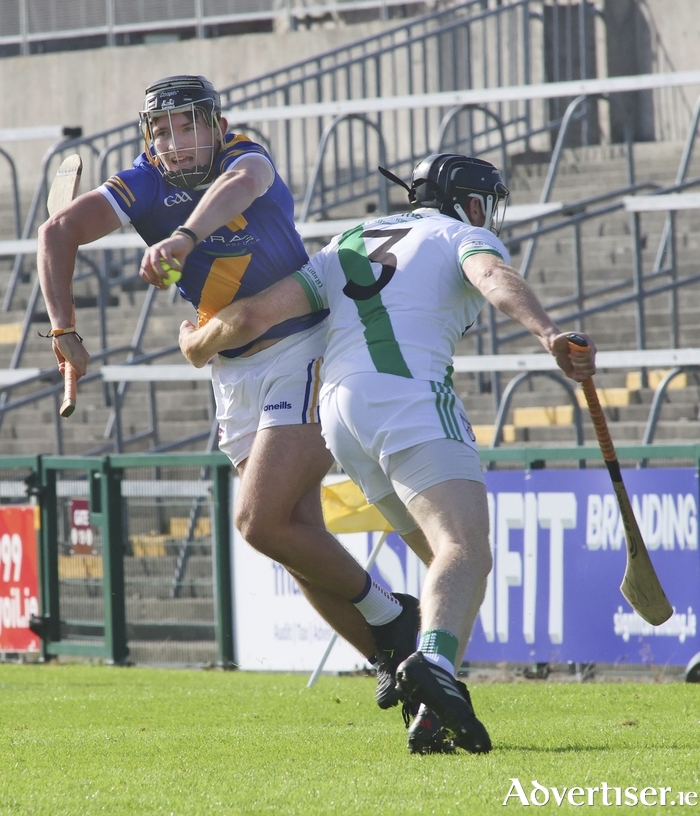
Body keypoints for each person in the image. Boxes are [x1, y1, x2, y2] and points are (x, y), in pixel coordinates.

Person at [177, 153, 598, 754]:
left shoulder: (347, 241)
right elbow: (493, 278)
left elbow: (252, 315)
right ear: (469, 202)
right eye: (485, 205)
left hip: (340, 415)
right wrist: (549, 332)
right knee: (465, 547)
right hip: (410, 397)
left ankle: (431, 707)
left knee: (450, 566)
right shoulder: (460, 234)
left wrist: (197, 343)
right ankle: (433, 665)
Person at [36, 74, 424, 709]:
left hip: (303, 348)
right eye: (162, 131)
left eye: (188, 125)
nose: (176, 141)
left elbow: (239, 187)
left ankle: (391, 615)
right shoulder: (143, 181)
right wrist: (64, 329)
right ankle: (407, 674)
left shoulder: (245, 154)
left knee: (259, 521)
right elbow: (57, 234)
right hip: (232, 371)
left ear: (215, 125)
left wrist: (183, 237)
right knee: (295, 536)